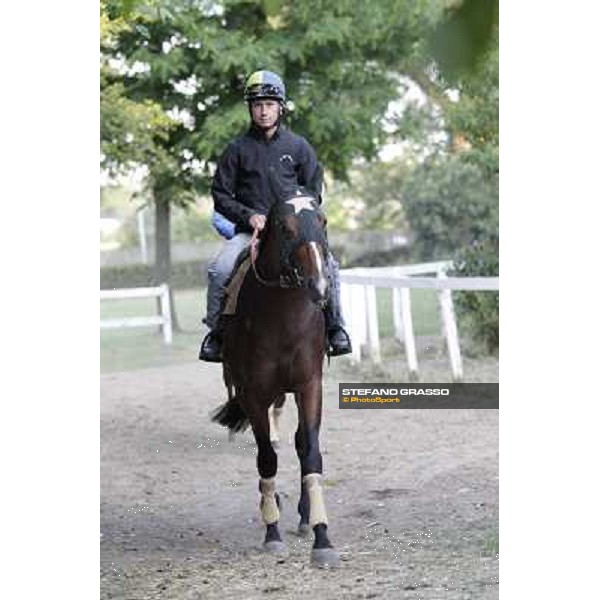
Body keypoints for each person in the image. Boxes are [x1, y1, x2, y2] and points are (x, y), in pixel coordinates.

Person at [199, 69, 352, 362]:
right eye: (257, 105)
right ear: (250, 109)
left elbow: (313, 192)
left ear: (280, 107)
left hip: (294, 234)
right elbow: (220, 195)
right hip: (251, 233)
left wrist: (293, 215)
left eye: (269, 104)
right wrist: (249, 216)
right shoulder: (236, 150)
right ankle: (216, 334)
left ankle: (335, 328)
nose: (263, 111)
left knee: (329, 265)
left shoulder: (299, 147)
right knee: (220, 269)